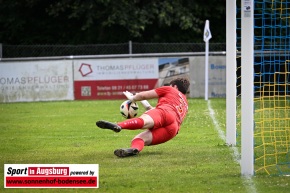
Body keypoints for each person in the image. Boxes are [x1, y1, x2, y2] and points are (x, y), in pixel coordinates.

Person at [96, 77, 190, 157]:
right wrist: (145, 104)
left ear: (175, 86)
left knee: (144, 121)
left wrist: (133, 98)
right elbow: (168, 116)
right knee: (139, 139)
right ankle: (134, 149)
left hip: (164, 112)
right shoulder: (185, 103)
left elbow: (144, 95)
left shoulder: (170, 89)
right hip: (173, 129)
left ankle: (119, 125)